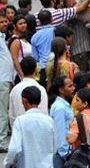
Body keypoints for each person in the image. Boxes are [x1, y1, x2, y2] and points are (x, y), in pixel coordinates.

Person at [4, 86, 56, 168]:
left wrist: (8, 163)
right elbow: (54, 148)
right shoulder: (49, 121)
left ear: (24, 101)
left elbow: (14, 149)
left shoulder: (20, 121)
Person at [9, 56, 48, 127]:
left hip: (19, 129)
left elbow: (11, 115)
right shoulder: (40, 89)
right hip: (37, 131)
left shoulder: (14, 90)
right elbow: (44, 113)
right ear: (35, 69)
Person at [49, 76, 75, 168]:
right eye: (70, 86)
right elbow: (60, 132)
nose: (73, 88)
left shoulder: (64, 105)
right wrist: (66, 155)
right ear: (61, 90)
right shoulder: (59, 108)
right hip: (63, 155)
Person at [0, 10, 13, 153]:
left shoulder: (2, 37)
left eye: (5, 21)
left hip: (4, 79)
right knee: (2, 113)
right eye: (2, 22)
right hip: (1, 79)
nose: (5, 23)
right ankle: (2, 143)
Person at [31, 10, 54, 87]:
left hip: (43, 68)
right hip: (55, 66)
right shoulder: (56, 31)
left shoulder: (35, 37)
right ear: (51, 19)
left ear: (40, 22)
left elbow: (36, 57)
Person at [8, 15, 32, 81]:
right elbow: (14, 59)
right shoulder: (16, 40)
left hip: (27, 73)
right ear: (15, 26)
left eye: (24, 23)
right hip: (19, 75)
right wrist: (22, 75)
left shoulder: (24, 38)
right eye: (20, 24)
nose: (23, 25)